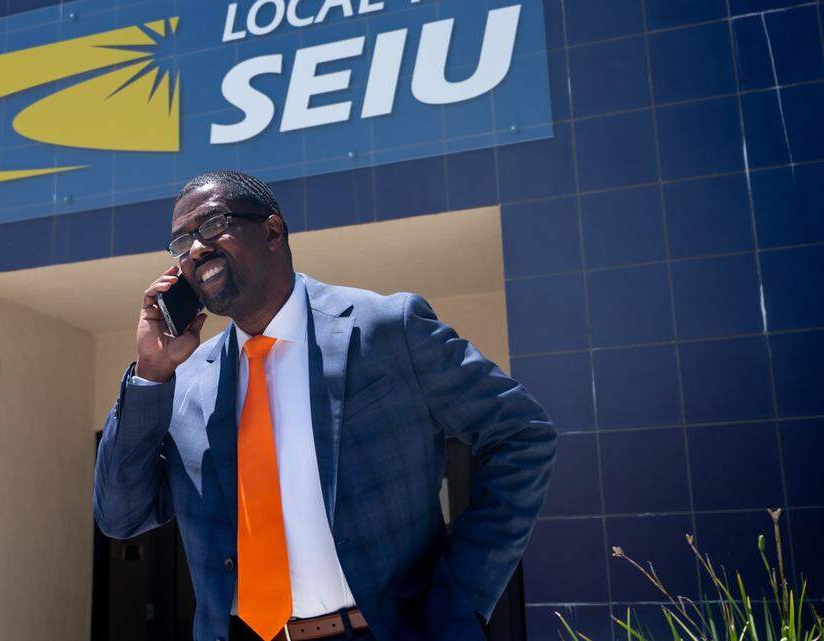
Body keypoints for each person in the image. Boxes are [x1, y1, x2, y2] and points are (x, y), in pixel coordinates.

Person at [93, 170, 558, 641]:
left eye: (212, 226)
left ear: (273, 230)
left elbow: (521, 434)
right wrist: (151, 374)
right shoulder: (186, 383)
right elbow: (120, 516)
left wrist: (461, 598)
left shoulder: (385, 329)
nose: (195, 249)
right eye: (182, 242)